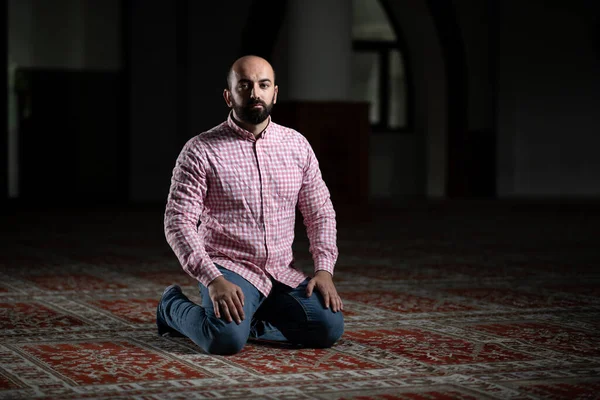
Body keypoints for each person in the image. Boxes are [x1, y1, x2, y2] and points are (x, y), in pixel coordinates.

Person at [156, 55, 344, 355]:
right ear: (229, 96)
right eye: (245, 85)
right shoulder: (200, 150)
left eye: (263, 84)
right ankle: (171, 307)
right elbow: (178, 222)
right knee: (225, 340)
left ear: (275, 93)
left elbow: (319, 212)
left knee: (329, 327)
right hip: (228, 267)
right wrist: (212, 278)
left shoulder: (297, 145)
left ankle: (247, 323)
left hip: (281, 271)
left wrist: (324, 270)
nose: (255, 93)